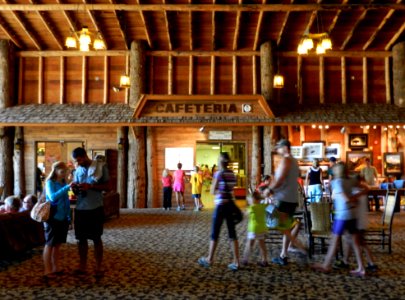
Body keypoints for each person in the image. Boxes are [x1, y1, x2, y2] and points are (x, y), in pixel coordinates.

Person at [312, 162, 365, 277]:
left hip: (342, 216)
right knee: (355, 243)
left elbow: (345, 199)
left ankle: (326, 265)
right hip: (352, 214)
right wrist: (355, 199)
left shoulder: (337, 182)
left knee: (334, 241)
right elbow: (365, 189)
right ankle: (361, 268)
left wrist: (350, 199)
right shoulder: (351, 180)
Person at [71, 147, 110, 279]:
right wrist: (75, 188)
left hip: (95, 208)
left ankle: (98, 267)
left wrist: (91, 186)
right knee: (81, 239)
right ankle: (82, 266)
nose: (78, 163)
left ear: (85, 155)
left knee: (96, 238)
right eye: (76, 161)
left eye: (79, 160)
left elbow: (108, 187)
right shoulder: (78, 170)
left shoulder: (101, 167)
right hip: (81, 209)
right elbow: (77, 193)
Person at [198, 152, 240, 271]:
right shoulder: (232, 174)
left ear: (220, 162)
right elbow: (232, 188)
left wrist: (218, 191)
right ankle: (236, 261)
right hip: (230, 205)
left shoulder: (218, 174)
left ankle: (209, 258)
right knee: (232, 233)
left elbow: (212, 191)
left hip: (221, 206)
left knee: (215, 232)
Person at [268, 139, 308, 266]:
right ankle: (283, 255)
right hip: (291, 198)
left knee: (279, 225)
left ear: (284, 148)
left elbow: (280, 179)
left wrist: (269, 189)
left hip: (283, 199)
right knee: (286, 227)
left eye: (279, 148)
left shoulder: (286, 160)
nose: (278, 150)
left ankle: (301, 248)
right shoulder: (295, 161)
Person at [333, 175, 378, 272]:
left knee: (358, 242)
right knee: (355, 241)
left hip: (357, 221)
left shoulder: (356, 192)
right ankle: (347, 261)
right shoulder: (362, 191)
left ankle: (368, 264)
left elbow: (350, 201)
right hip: (361, 220)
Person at [43, 161, 72, 280]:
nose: (64, 173)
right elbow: (53, 197)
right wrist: (67, 187)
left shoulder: (63, 182)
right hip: (53, 217)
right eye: (62, 171)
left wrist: (69, 216)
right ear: (55, 170)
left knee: (57, 245)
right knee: (50, 244)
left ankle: (56, 267)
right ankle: (47, 269)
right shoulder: (50, 182)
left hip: (63, 217)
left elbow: (66, 201)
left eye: (65, 171)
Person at [242, 191, 268, 267]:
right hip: (262, 228)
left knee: (249, 244)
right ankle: (265, 260)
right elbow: (268, 204)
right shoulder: (263, 206)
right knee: (262, 245)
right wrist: (263, 197)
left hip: (253, 229)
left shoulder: (252, 208)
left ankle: (245, 260)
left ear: (253, 199)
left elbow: (244, 214)